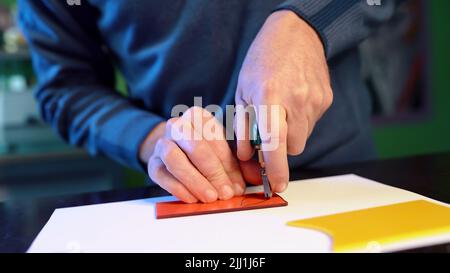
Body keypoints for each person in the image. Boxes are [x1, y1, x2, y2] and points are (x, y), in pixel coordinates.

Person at [18, 0, 399, 203]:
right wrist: (151, 140)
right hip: (191, 193)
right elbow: (65, 88)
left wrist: (312, 23)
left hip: (341, 176)